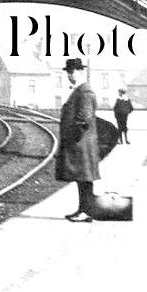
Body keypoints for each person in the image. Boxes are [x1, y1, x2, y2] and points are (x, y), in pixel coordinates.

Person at [58, 58, 100, 222]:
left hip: (81, 143)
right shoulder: (81, 89)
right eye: (68, 72)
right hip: (81, 142)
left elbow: (85, 118)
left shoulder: (84, 91)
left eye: (72, 71)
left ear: (81, 72)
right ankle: (82, 210)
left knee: (85, 179)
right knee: (82, 179)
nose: (69, 75)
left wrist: (73, 137)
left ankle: (87, 212)